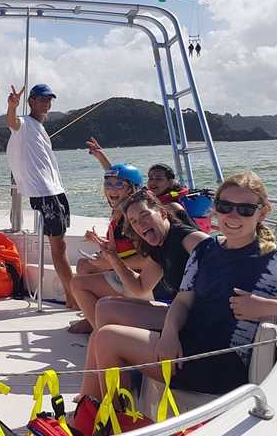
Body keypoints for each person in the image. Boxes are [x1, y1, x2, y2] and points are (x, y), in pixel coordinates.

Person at [83, 171, 277, 399]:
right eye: (224, 206)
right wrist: (170, 333)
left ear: (262, 212)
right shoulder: (206, 249)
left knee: (108, 338)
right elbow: (183, 301)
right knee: (100, 335)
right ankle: (95, 410)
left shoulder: (274, 260)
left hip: (221, 363)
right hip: (188, 343)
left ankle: (111, 425)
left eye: (245, 209)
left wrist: (266, 307)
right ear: (214, 208)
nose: (233, 215)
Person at [74, 187, 209, 398]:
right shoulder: (159, 245)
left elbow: (216, 257)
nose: (140, 224)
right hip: (180, 313)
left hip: (195, 322)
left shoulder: (188, 239)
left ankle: (101, 401)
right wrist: (113, 259)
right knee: (105, 307)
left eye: (145, 215)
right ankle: (97, 394)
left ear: (162, 213)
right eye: (134, 221)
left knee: (104, 335)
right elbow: (140, 287)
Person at [6, 83, 75, 307]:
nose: (47, 103)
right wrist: (12, 107)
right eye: (42, 99)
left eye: (49, 99)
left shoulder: (39, 127)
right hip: (43, 191)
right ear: (32, 101)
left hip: (56, 189)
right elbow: (12, 123)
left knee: (61, 243)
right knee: (59, 245)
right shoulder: (25, 123)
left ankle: (73, 294)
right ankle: (73, 296)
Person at [67, 162, 146, 334]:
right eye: (108, 184)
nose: (112, 189)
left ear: (132, 189)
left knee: (77, 283)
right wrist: (99, 242)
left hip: (140, 281)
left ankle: (102, 333)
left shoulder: (133, 217)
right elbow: (124, 245)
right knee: (83, 265)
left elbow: (147, 260)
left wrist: (110, 264)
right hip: (124, 269)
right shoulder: (120, 211)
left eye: (119, 184)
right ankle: (93, 319)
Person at [86, 138, 187, 214]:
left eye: (158, 179)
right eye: (150, 178)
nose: (153, 182)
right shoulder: (144, 195)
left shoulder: (173, 205)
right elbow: (118, 177)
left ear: (170, 182)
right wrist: (100, 155)